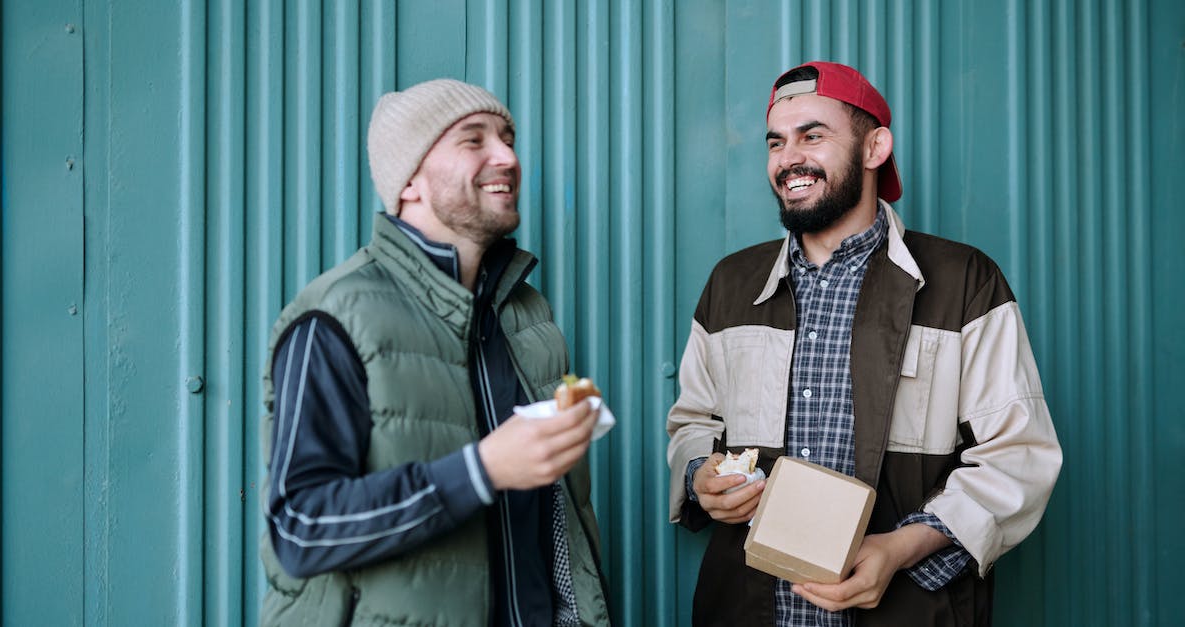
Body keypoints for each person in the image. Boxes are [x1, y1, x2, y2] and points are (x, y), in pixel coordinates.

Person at [665, 61, 1062, 626]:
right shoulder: (731, 283)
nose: (788, 159)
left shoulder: (965, 281)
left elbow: (1017, 457)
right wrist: (699, 473)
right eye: (776, 142)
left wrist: (898, 550)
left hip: (908, 609)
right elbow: (692, 422)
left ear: (876, 147)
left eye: (813, 135)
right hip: (748, 608)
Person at [258, 79, 611, 627]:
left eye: (508, 137)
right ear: (411, 181)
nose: (508, 157)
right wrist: (482, 469)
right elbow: (300, 527)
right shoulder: (334, 317)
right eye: (474, 141)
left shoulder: (526, 313)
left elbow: (555, 522)